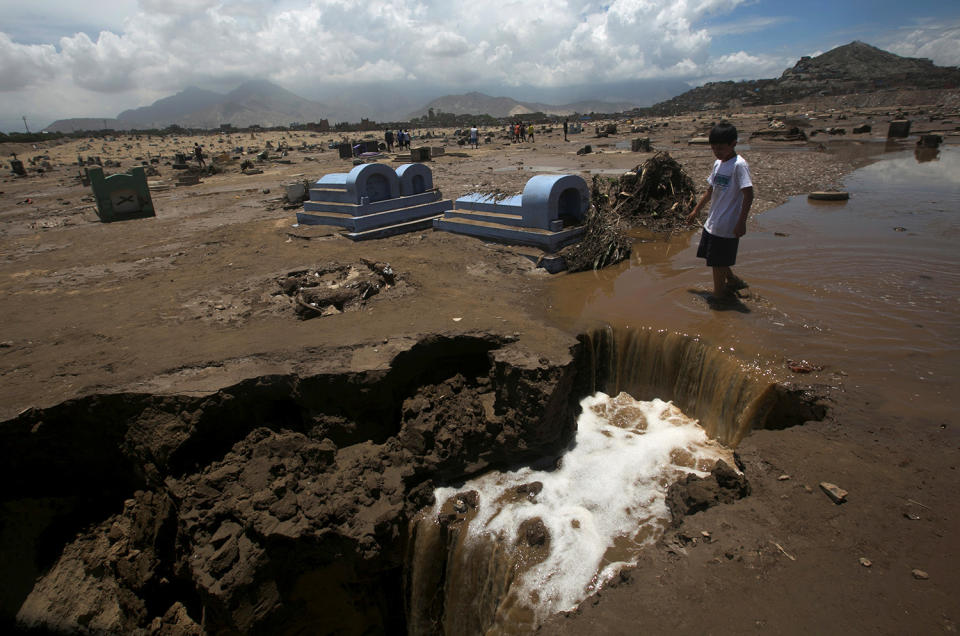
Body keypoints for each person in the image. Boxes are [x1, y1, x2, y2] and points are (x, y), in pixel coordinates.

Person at [686, 122, 753, 303]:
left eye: (721, 148)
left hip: (728, 223)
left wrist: (741, 222)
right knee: (714, 256)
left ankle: (718, 295)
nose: (717, 151)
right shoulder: (718, 164)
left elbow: (748, 194)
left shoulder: (739, 165)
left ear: (733, 143)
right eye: (714, 148)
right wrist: (696, 210)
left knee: (717, 262)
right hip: (713, 220)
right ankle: (732, 280)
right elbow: (710, 190)